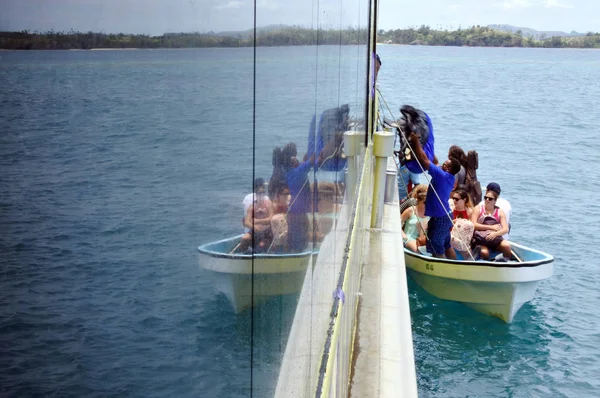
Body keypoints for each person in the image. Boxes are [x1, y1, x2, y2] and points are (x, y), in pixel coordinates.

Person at [408, 132, 461, 259]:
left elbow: (426, 161)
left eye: (445, 164)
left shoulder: (441, 176)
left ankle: (444, 271)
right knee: (447, 245)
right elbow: (434, 160)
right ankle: (454, 268)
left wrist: (415, 142)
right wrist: (425, 145)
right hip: (446, 216)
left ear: (448, 169)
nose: (441, 164)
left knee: (437, 250)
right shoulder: (449, 177)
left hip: (439, 219)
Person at [282, 143, 318, 252]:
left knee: (295, 234)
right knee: (301, 234)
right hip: (299, 209)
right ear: (292, 163)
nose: (296, 160)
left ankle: (292, 251)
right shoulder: (300, 171)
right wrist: (316, 145)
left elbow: (305, 162)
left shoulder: (288, 173)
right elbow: (311, 160)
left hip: (293, 208)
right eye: (294, 159)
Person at [471, 187, 511, 261]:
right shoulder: (478, 209)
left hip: (495, 239)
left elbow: (505, 229)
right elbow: (473, 224)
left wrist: (495, 234)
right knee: (484, 253)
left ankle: (504, 261)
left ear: (495, 201)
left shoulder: (500, 212)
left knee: (506, 246)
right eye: (485, 197)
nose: (487, 200)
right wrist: (491, 227)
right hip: (481, 239)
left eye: (490, 199)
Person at [239, 180, 273, 252]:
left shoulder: (268, 203)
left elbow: (271, 218)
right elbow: (246, 222)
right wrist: (254, 227)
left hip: (266, 231)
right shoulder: (252, 206)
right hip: (255, 230)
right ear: (256, 194)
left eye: (263, 193)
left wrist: (256, 221)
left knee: (261, 245)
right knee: (244, 239)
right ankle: (245, 253)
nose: (261, 195)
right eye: (259, 193)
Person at [401, 185, 429, 253]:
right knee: (418, 251)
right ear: (418, 200)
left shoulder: (431, 213)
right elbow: (397, 224)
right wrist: (404, 237)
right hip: (409, 238)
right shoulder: (411, 210)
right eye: (425, 202)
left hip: (423, 239)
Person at [449, 189, 475, 259]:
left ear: (464, 200)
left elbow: (472, 226)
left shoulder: (469, 211)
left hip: (464, 236)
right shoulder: (451, 210)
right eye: (453, 198)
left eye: (456, 199)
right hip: (452, 234)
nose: (454, 201)